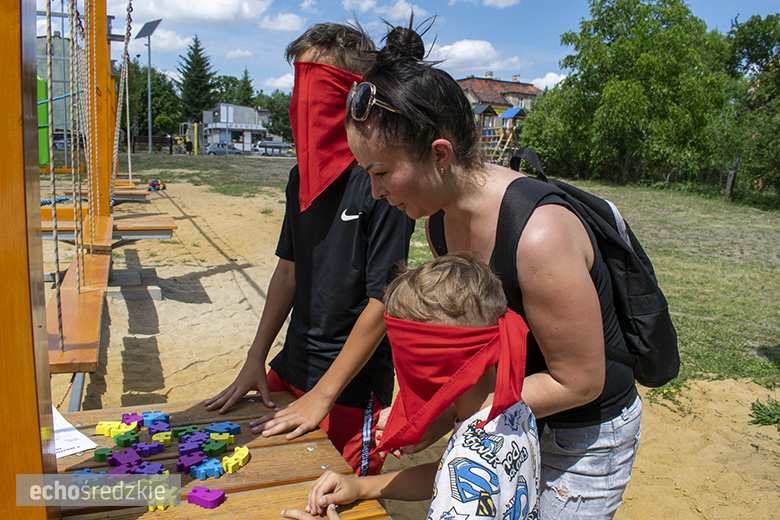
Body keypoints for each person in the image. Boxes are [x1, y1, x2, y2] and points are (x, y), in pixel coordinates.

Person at [342, 20, 642, 519]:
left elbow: (580, 381)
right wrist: (429, 410)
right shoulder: (439, 222)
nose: (375, 192)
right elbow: (474, 336)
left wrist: (449, 410)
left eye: (380, 173)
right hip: (511, 407)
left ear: (440, 155)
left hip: (583, 432)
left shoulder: (539, 235)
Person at [204, 22, 415, 477]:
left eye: (314, 88)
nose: (302, 104)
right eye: (297, 86)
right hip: (291, 365)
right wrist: (254, 360)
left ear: (355, 97)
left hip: (350, 388)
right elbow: (288, 271)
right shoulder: (301, 177)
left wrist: (324, 395)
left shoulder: (381, 182)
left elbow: (384, 301)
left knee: (339, 497)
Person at [282, 252, 540, 520]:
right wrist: (361, 486)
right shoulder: (514, 409)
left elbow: (462, 476)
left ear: (431, 364)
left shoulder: (471, 458)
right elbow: (450, 477)